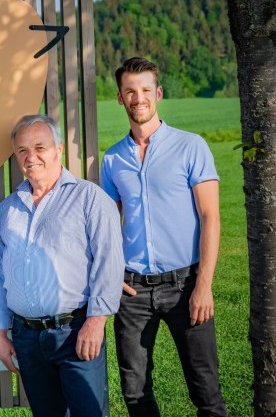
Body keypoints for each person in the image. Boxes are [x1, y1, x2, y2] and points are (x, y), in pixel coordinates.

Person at [101, 57, 227, 416]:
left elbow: (210, 218)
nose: (138, 98)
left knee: (206, 392)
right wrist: (112, 276)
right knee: (136, 392)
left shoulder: (191, 147)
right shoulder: (112, 160)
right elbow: (108, 228)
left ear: (157, 93)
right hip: (133, 292)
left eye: (144, 90)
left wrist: (203, 286)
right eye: (130, 92)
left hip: (186, 284)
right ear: (120, 99)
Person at [0, 114, 124, 416]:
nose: (31, 156)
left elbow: (109, 263)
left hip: (76, 332)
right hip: (26, 337)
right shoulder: (8, 209)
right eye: (22, 150)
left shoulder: (89, 199)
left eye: (40, 147)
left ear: (59, 150)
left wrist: (96, 321)